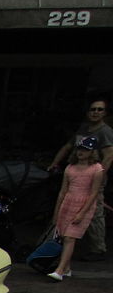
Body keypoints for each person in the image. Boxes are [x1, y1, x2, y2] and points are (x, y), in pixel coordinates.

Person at [48, 96, 113, 261]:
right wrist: (55, 163)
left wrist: (99, 175)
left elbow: (109, 155)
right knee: (69, 206)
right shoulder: (83, 129)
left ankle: (98, 249)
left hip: (92, 177)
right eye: (93, 109)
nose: (96, 112)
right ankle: (64, 241)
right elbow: (68, 147)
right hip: (76, 174)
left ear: (105, 113)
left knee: (95, 211)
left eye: (100, 109)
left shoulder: (105, 132)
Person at [47, 136, 106, 281]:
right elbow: (63, 191)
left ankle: (60, 270)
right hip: (68, 202)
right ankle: (66, 268)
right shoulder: (70, 168)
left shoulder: (97, 169)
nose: (81, 152)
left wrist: (82, 213)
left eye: (85, 150)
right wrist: (56, 212)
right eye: (79, 149)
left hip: (84, 204)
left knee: (69, 237)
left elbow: (94, 193)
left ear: (92, 152)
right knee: (63, 235)